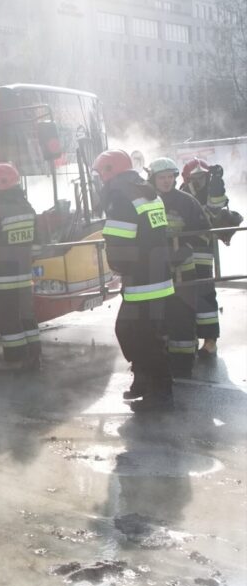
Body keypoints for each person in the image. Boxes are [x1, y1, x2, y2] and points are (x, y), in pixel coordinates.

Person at [95, 149, 179, 412]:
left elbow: (118, 242)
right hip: (157, 275)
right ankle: (144, 381)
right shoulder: (144, 190)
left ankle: (161, 391)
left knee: (139, 335)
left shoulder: (120, 196)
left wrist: (118, 267)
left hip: (142, 279)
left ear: (110, 171)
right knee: (135, 333)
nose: (100, 179)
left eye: (100, 174)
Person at [147, 157, 210, 380]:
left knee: (182, 315)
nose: (166, 181)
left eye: (170, 177)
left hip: (184, 271)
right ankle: (163, 360)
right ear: (152, 179)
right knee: (159, 316)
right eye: (161, 177)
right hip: (157, 272)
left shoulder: (186, 202)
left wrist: (185, 248)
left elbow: (204, 231)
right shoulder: (148, 201)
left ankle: (183, 363)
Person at [0, 163, 41, 371]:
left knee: (7, 320)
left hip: (0, 277)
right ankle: (34, 357)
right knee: (26, 318)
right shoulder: (27, 208)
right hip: (23, 276)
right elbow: (37, 247)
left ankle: (15, 361)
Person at [179, 157, 241, 357]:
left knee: (204, 296)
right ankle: (190, 337)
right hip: (182, 253)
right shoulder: (181, 191)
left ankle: (210, 341)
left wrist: (216, 182)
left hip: (202, 252)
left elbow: (216, 205)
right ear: (187, 178)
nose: (199, 181)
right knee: (185, 297)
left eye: (202, 176)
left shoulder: (211, 190)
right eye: (194, 177)